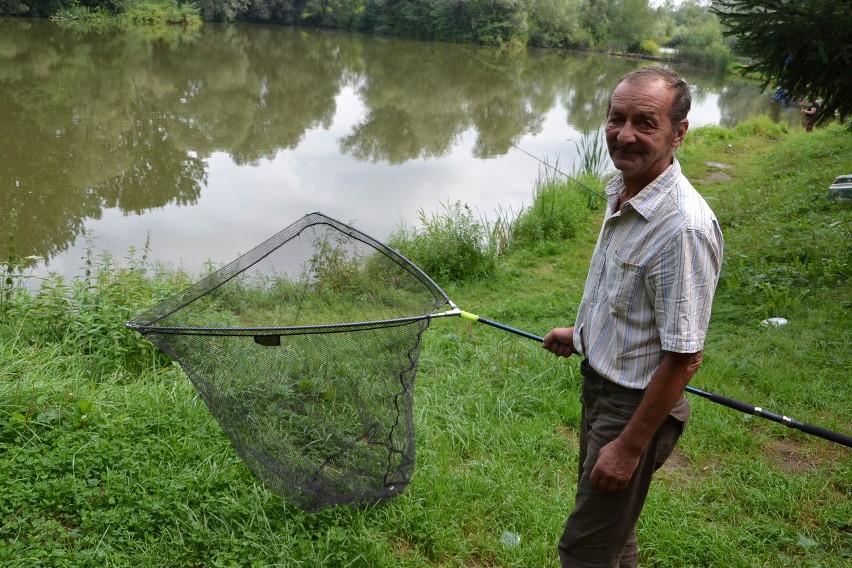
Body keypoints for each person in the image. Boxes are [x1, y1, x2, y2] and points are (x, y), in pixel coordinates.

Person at [542, 66, 723, 567]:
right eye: (616, 118)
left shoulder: (681, 227)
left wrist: (628, 447)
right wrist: (580, 334)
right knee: (613, 537)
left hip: (634, 409)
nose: (625, 135)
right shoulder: (624, 188)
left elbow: (685, 358)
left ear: (678, 133)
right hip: (601, 390)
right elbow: (622, 293)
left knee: (585, 550)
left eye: (645, 122)